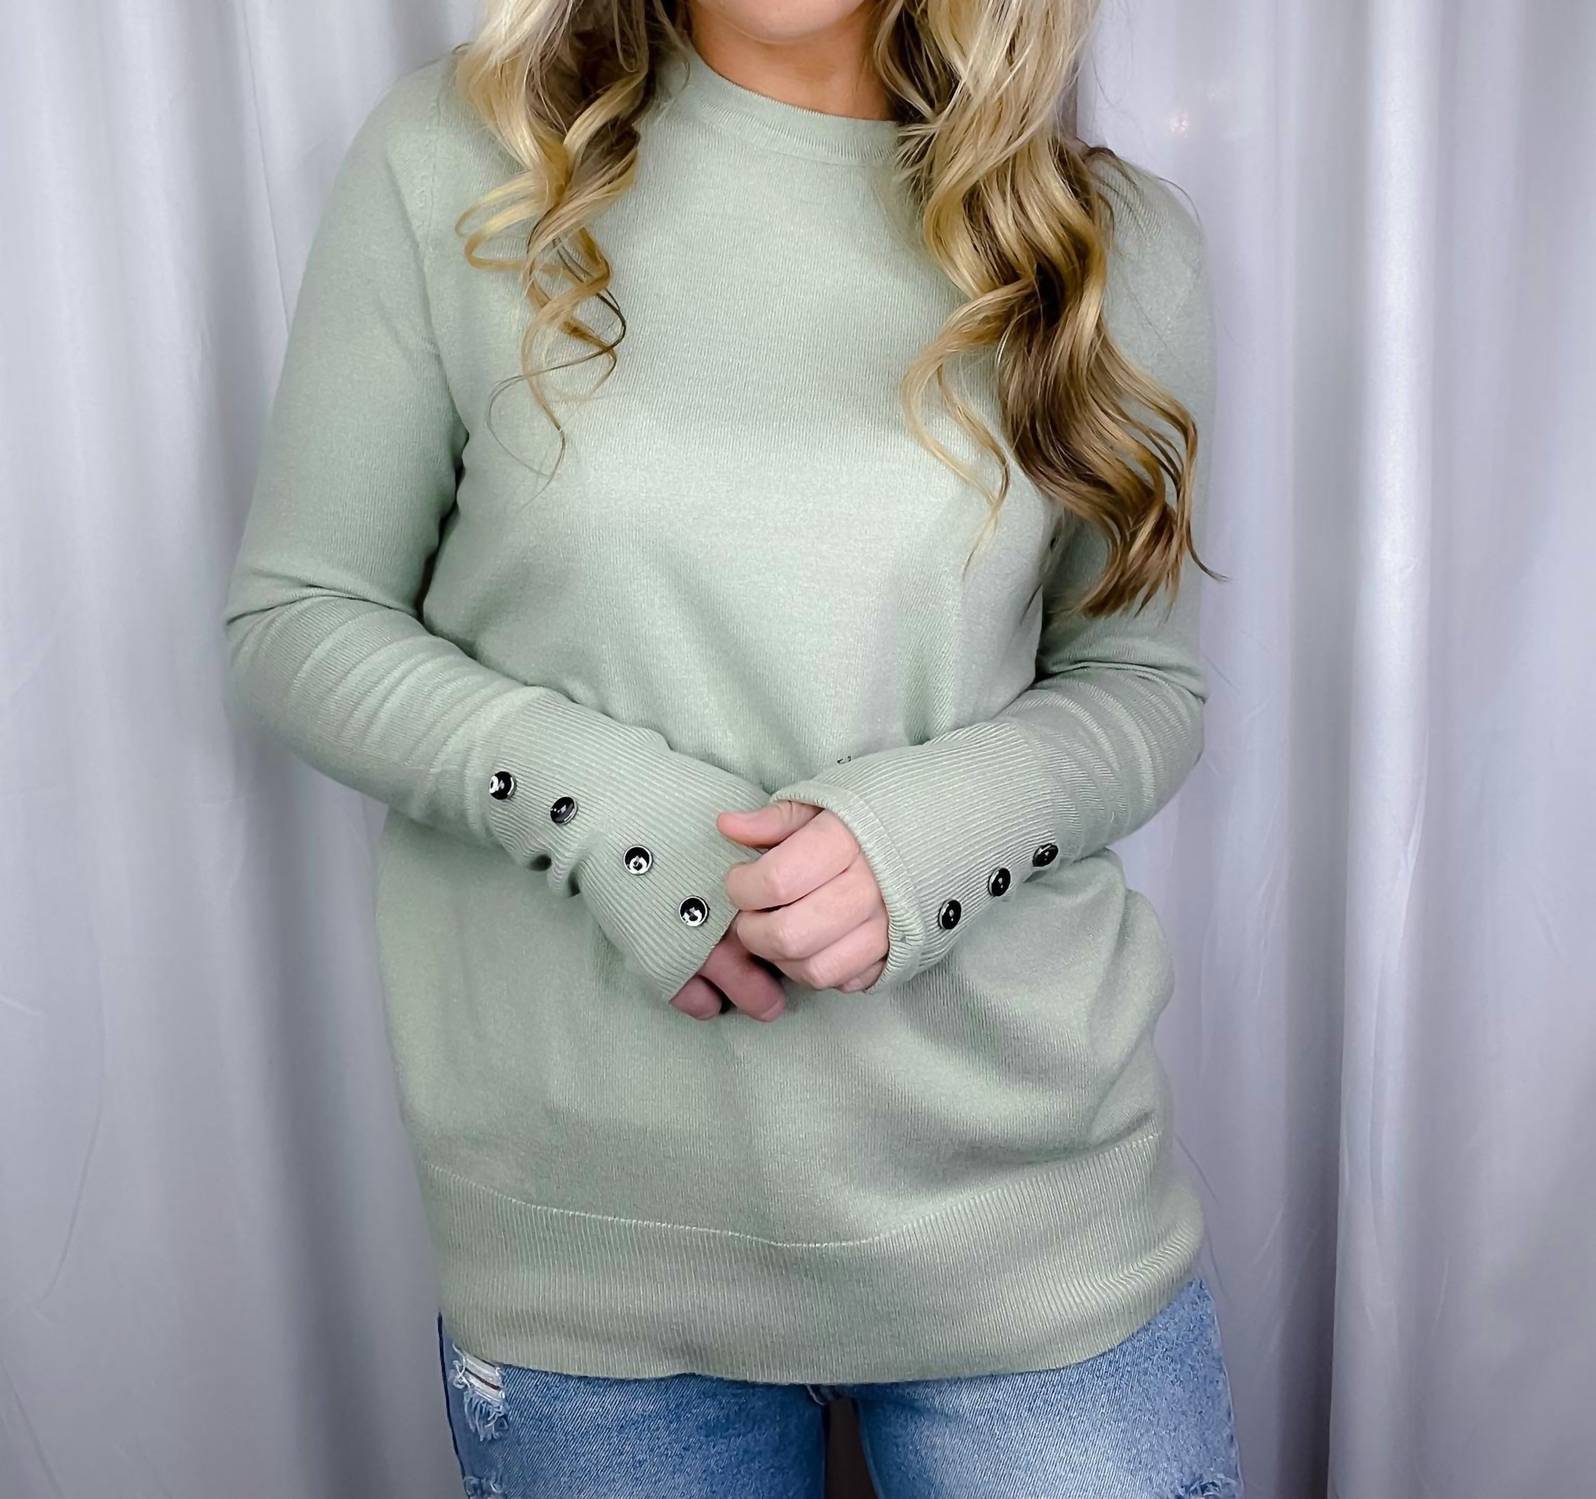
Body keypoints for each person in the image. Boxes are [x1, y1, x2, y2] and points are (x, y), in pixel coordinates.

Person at [222, 1, 1240, 1493]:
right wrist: (616, 821)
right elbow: (300, 618)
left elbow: (1140, 683)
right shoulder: (463, 158)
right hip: (595, 1241)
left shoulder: (1111, 245)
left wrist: (926, 841)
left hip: (1026, 1223)